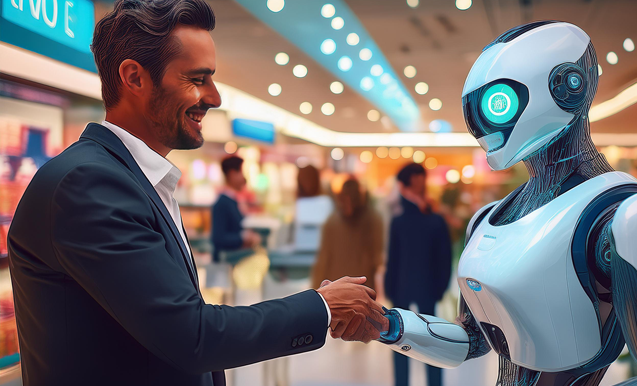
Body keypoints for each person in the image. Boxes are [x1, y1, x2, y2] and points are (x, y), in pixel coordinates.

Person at [6, 1, 388, 385]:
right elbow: (192, 335)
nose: (215, 97)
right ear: (134, 78)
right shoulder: (87, 184)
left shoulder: (135, 179)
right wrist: (322, 307)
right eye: (197, 79)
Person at [377, 21, 637, 386]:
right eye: (475, 113)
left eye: (497, 103)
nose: (482, 127)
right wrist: (387, 325)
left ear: (568, 85)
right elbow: (472, 341)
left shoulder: (628, 216)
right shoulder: (488, 219)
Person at [384, 163, 453, 386]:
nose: (422, 182)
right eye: (418, 178)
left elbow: (443, 257)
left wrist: (440, 286)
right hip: (416, 287)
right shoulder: (416, 219)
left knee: (421, 340)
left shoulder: (428, 219)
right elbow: (393, 257)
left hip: (417, 287)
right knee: (423, 341)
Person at [312, 178, 385, 293]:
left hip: (357, 287)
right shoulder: (333, 222)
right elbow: (324, 257)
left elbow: (377, 257)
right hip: (344, 287)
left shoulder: (372, 220)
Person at [211, 155, 261, 262]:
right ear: (232, 174)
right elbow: (218, 238)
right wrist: (243, 237)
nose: (244, 178)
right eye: (241, 172)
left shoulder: (232, 201)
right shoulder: (223, 203)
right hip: (225, 265)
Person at [293, 165, 333, 251]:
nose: (307, 184)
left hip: (311, 251)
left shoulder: (325, 203)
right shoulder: (326, 203)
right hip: (313, 251)